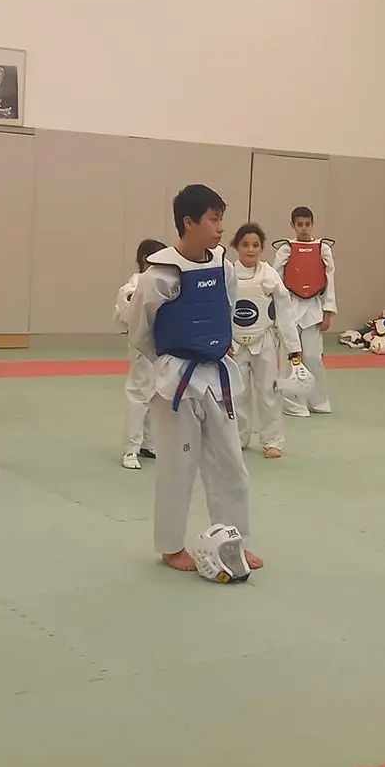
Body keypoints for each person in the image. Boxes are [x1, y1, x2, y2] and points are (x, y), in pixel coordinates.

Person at [128, 185, 264, 573]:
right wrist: (171, 358)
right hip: (176, 380)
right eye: (213, 219)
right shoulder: (159, 274)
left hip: (216, 374)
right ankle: (171, 547)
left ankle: (235, 542)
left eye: (221, 219)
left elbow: (227, 306)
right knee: (178, 466)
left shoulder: (223, 265)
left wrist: (216, 342)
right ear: (189, 222)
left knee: (231, 465)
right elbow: (140, 330)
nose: (221, 228)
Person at [230, 222, 303, 459]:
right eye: (245, 245)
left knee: (268, 392)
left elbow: (284, 310)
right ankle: (237, 438)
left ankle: (273, 440)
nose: (250, 250)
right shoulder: (227, 274)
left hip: (265, 340)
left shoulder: (269, 274)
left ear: (261, 248)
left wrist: (293, 347)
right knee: (236, 393)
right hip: (235, 343)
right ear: (236, 247)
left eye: (255, 245)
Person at [273, 206, 336, 417]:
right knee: (291, 357)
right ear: (292, 225)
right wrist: (274, 311)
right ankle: (292, 403)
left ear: (312, 224)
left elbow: (330, 280)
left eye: (307, 224)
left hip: (313, 308)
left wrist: (328, 311)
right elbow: (275, 281)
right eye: (299, 224)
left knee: (313, 357)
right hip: (289, 307)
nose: (303, 228)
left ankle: (319, 401)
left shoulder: (323, 249)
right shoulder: (286, 249)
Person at [116, 238, 166, 470]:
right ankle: (131, 448)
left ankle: (148, 443)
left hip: (161, 349)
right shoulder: (132, 287)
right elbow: (125, 317)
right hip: (141, 348)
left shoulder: (162, 285)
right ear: (146, 259)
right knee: (138, 397)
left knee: (156, 397)